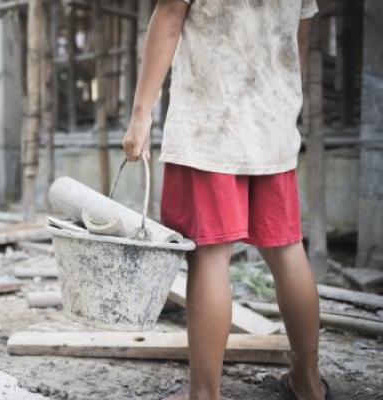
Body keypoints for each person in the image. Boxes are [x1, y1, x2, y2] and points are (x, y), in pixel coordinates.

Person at [122, 1, 331, 399]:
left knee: (210, 256)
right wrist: (283, 101)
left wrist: (140, 114)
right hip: (272, 122)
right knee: (287, 251)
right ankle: (307, 383)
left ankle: (205, 395)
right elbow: (300, 31)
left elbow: (169, 15)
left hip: (208, 122)